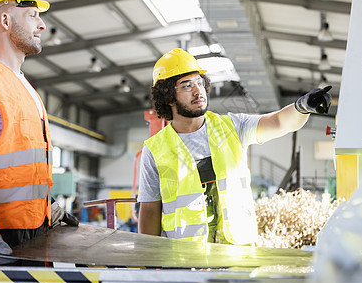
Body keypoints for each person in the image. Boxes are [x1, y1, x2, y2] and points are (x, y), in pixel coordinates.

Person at [138, 48, 331, 245]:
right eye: (187, 86)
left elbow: (279, 122)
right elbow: (150, 211)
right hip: (185, 260)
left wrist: (302, 107)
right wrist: (148, 261)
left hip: (236, 256)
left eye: (199, 83)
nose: (198, 91)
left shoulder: (233, 127)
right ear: (169, 96)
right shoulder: (154, 150)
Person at [0, 0, 78, 266]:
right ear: (6, 20)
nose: (42, 25)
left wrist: (50, 206)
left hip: (34, 235)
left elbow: (19, 164)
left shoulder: (25, 87)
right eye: (33, 15)